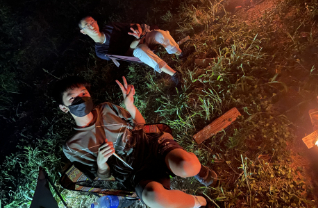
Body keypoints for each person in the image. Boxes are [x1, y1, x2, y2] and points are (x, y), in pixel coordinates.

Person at [51, 76, 218, 208]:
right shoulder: (73, 146)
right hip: (132, 172)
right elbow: (103, 176)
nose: (81, 98)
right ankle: (199, 202)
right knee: (155, 198)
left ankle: (199, 171)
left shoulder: (107, 109)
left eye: (83, 93)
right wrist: (101, 162)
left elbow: (141, 126)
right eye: (72, 98)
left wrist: (130, 106)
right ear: (64, 108)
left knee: (188, 166)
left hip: (151, 146)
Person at [78, 16, 183, 86]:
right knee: (139, 50)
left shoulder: (110, 27)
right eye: (87, 25)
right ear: (83, 31)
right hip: (136, 50)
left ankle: (180, 53)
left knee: (160, 34)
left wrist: (138, 30)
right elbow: (126, 55)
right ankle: (174, 74)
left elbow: (133, 25)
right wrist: (136, 40)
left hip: (142, 38)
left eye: (92, 22)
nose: (92, 26)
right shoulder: (101, 51)